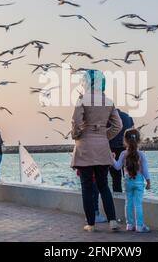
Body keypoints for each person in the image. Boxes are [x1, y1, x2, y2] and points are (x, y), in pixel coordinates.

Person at [71, 69, 123, 232]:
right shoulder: (108, 101)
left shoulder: (82, 99)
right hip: (102, 147)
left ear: (87, 81)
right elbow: (118, 125)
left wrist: (76, 135)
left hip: (85, 147)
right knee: (104, 185)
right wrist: (103, 136)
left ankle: (91, 224)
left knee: (87, 186)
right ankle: (113, 221)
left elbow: (76, 122)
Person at [110, 129, 151, 233]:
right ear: (138, 140)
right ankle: (139, 226)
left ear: (125, 140)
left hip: (127, 181)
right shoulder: (141, 154)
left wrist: (112, 158)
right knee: (138, 204)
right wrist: (148, 181)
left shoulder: (123, 153)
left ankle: (129, 225)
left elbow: (117, 167)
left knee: (128, 203)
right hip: (138, 182)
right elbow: (145, 169)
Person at [108, 109, 134, 193]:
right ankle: (129, 195)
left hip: (113, 150)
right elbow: (133, 131)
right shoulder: (128, 117)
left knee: (116, 177)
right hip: (126, 148)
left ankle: (118, 195)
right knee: (129, 175)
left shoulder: (109, 117)